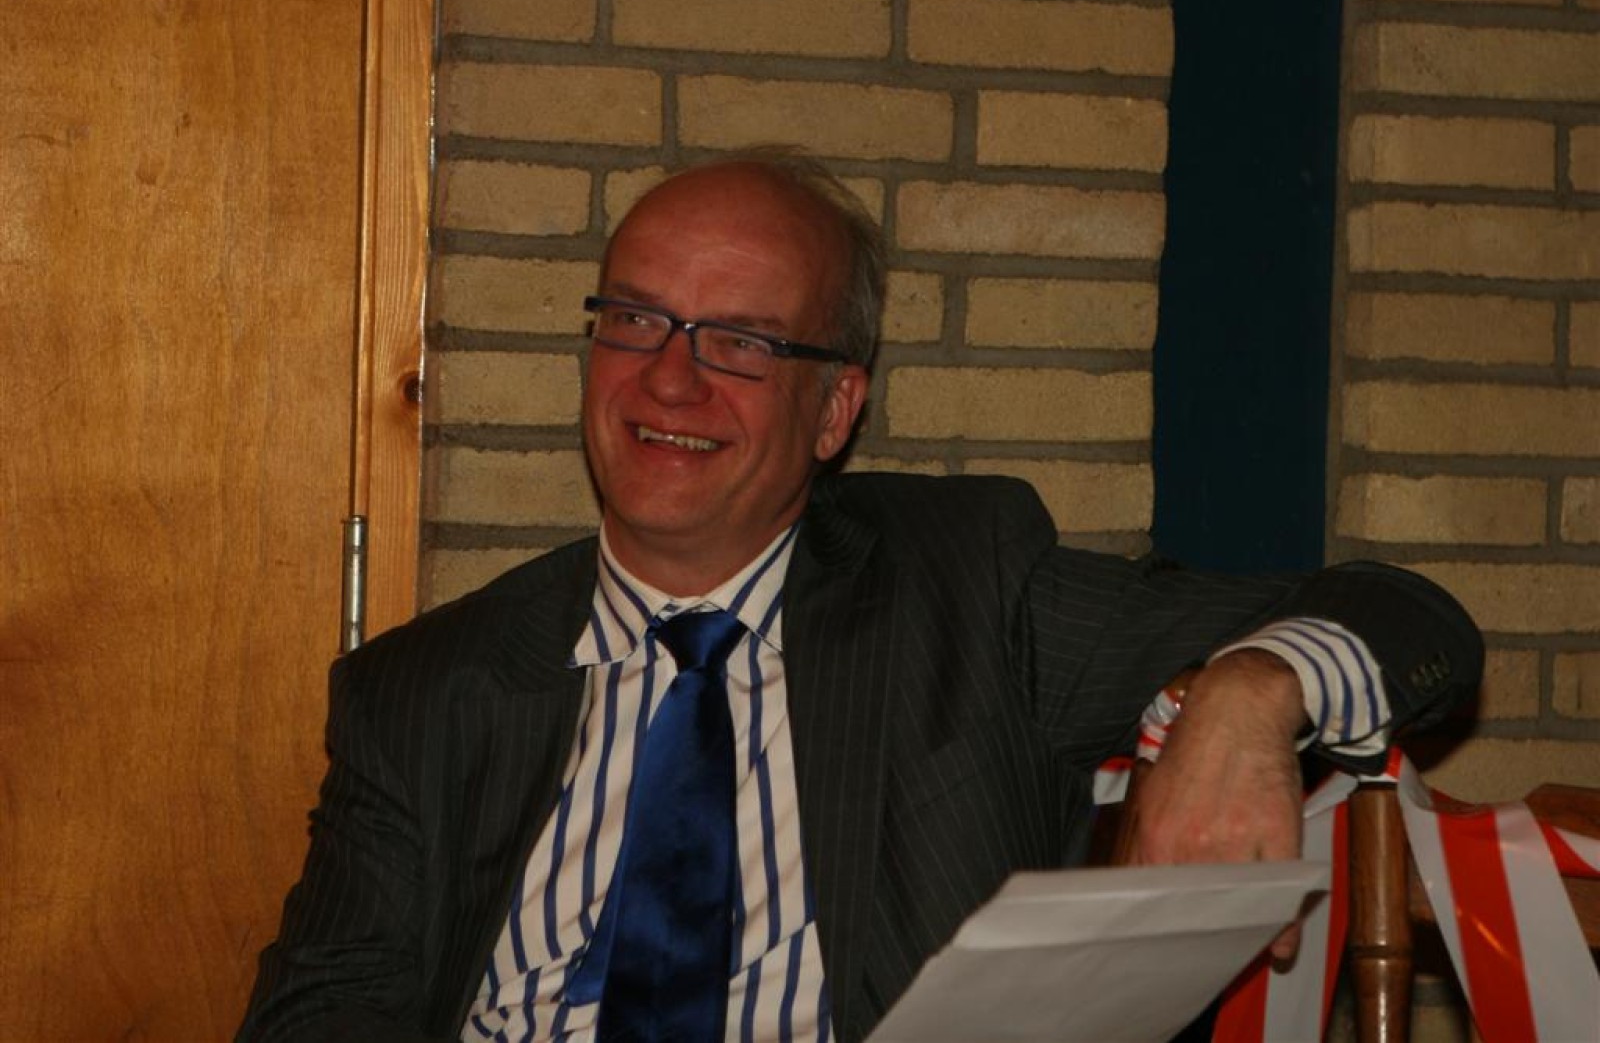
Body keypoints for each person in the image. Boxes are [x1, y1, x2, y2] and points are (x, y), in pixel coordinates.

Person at [239, 150, 1480, 1043]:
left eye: (741, 341)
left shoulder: (967, 589)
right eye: (636, 319)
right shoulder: (424, 691)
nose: (668, 381)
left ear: (835, 407)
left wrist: (1252, 690)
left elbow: (1413, 619)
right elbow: (320, 1012)